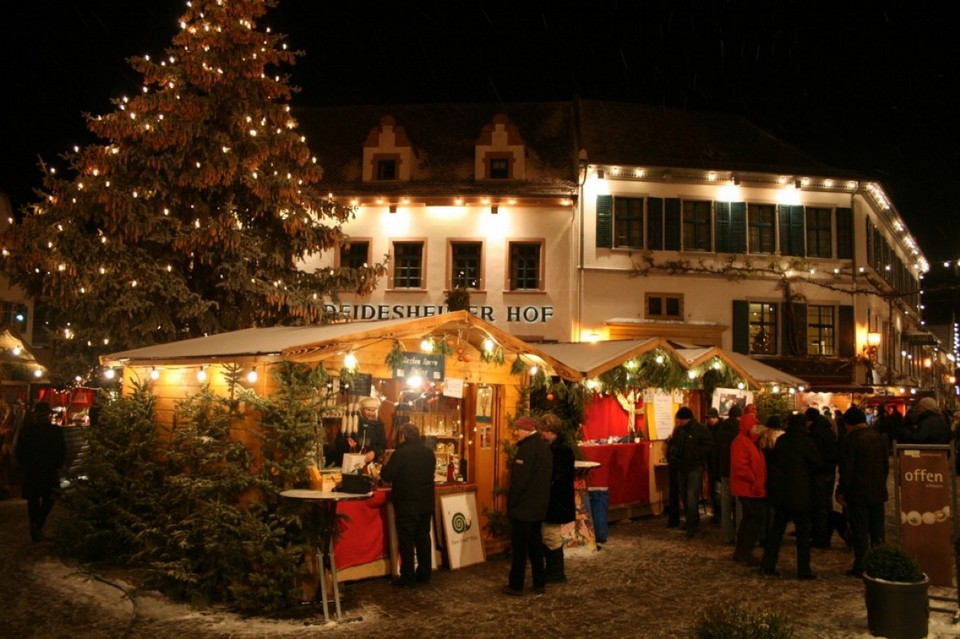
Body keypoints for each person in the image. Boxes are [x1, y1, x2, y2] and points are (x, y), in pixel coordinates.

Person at [761, 412, 821, 579]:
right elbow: (817, 462)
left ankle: (768, 564)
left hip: (781, 491)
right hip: (800, 491)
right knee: (802, 533)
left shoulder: (782, 440)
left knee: (777, 530)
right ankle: (803, 570)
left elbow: (775, 461)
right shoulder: (805, 441)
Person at [380, 423, 437, 587]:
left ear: (402, 437)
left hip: (406, 502)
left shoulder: (400, 453)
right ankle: (425, 574)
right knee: (423, 538)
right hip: (426, 503)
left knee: (406, 539)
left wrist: (385, 462)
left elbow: (387, 475)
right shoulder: (428, 452)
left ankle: (408, 577)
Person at [836, 405, 889, 577]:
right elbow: (885, 465)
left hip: (858, 492)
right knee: (877, 530)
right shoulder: (877, 437)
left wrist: (842, 490)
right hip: (877, 490)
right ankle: (879, 563)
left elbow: (847, 469)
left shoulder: (851, 439)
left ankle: (861, 565)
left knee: (860, 530)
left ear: (848, 423)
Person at [503, 415, 552, 596]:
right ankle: (539, 582)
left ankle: (516, 585)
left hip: (524, 508)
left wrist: (511, 504)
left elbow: (519, 482)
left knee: (520, 549)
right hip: (538, 506)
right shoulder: (544, 448)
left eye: (518, 430)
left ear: (525, 430)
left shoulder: (527, 450)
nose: (516, 433)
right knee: (536, 546)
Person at [14, 402, 66, 542]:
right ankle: (38, 524)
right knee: (51, 496)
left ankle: (35, 526)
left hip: (32, 471)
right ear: (48, 415)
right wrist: (57, 465)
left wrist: (25, 465)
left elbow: (19, 451)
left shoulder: (27, 431)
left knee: (33, 501)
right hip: (48, 470)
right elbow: (61, 450)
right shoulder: (55, 431)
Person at [539, 413, 575, 583]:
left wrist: (549, 483)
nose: (542, 434)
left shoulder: (563, 451)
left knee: (552, 535)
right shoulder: (553, 448)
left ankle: (556, 571)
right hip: (553, 499)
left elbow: (560, 476)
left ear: (552, 431)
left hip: (557, 500)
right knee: (548, 534)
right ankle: (552, 569)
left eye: (545, 431)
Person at [730, 409, 766, 565]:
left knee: (749, 518)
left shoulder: (750, 441)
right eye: (754, 426)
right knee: (754, 517)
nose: (756, 428)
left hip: (751, 487)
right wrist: (753, 478)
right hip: (747, 487)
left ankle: (742, 550)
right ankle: (744, 550)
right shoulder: (742, 442)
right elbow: (740, 467)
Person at [670, 407, 712, 538]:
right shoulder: (679, 430)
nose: (678, 421)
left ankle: (691, 526)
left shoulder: (700, 429)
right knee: (684, 496)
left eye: (680, 419)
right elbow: (674, 445)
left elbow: (709, 446)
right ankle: (690, 521)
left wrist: (694, 454)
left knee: (691, 498)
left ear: (686, 419)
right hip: (681, 467)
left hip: (694, 467)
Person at [805, 407, 837, 548]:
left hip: (820, 473)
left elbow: (814, 456)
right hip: (829, 471)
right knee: (825, 504)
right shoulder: (828, 430)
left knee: (820, 506)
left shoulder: (816, 433)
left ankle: (821, 537)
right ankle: (824, 534)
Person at [712, 405, 741, 544]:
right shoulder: (740, 430)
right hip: (736, 470)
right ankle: (740, 533)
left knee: (726, 503)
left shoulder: (721, 430)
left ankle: (727, 535)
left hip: (724, 470)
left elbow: (716, 451)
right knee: (739, 503)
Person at [334, 396, 388, 465]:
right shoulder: (351, 422)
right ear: (362, 410)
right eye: (368, 410)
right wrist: (347, 442)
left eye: (373, 410)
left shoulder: (379, 425)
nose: (370, 413)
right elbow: (338, 442)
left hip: (370, 463)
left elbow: (382, 445)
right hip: (351, 462)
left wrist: (374, 453)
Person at [704, 407, 722, 524]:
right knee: (713, 491)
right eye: (709, 418)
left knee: (718, 491)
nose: (710, 420)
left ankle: (719, 514)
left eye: (711, 418)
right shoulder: (707, 429)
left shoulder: (721, 429)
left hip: (719, 464)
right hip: (711, 464)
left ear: (716, 418)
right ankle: (717, 513)